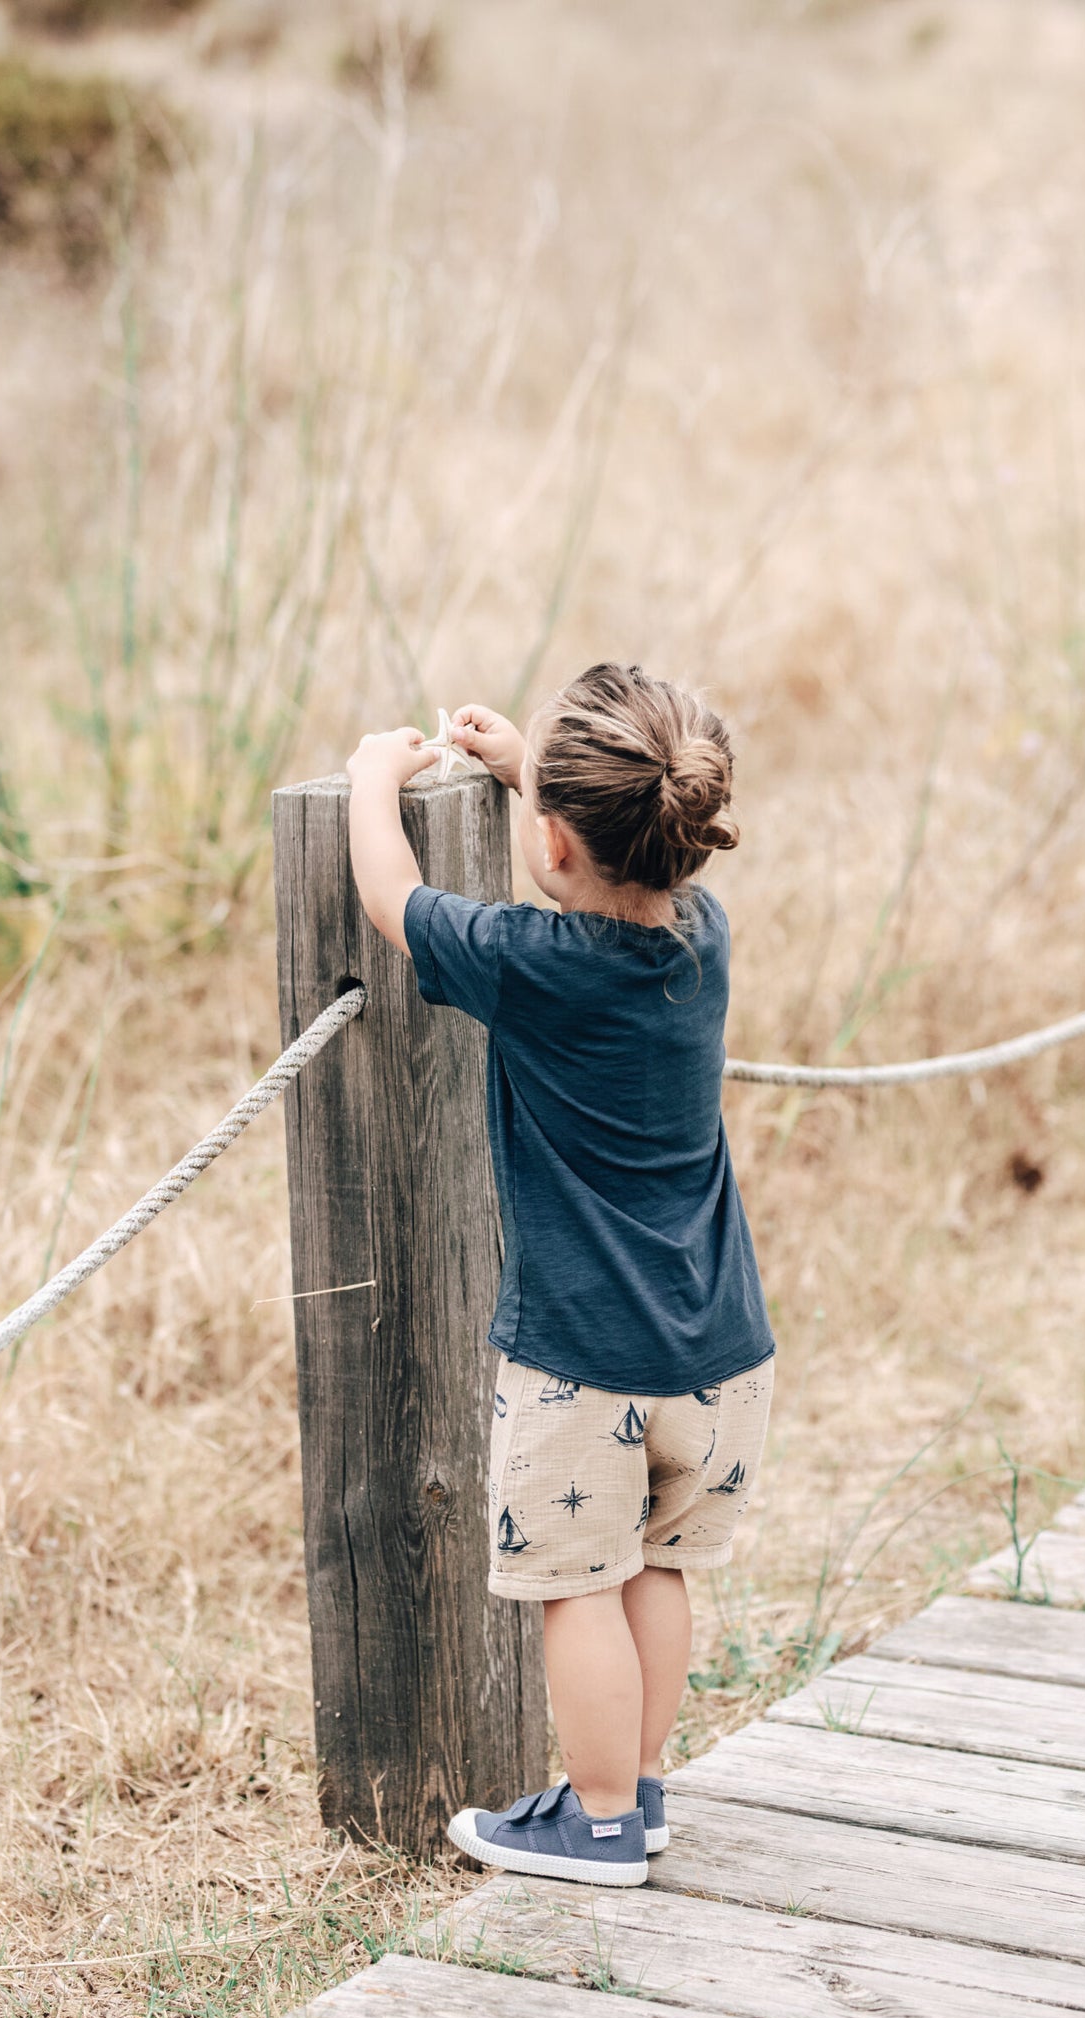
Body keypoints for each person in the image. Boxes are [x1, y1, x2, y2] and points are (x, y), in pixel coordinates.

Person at [346, 661, 775, 1888]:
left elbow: (394, 895)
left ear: (552, 841)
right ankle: (634, 1789)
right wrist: (529, 771)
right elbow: (617, 851)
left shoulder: (529, 962)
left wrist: (378, 778)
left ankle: (592, 1822)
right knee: (657, 1567)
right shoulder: (701, 935)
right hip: (718, 1356)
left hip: (585, 1363)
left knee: (574, 1588)